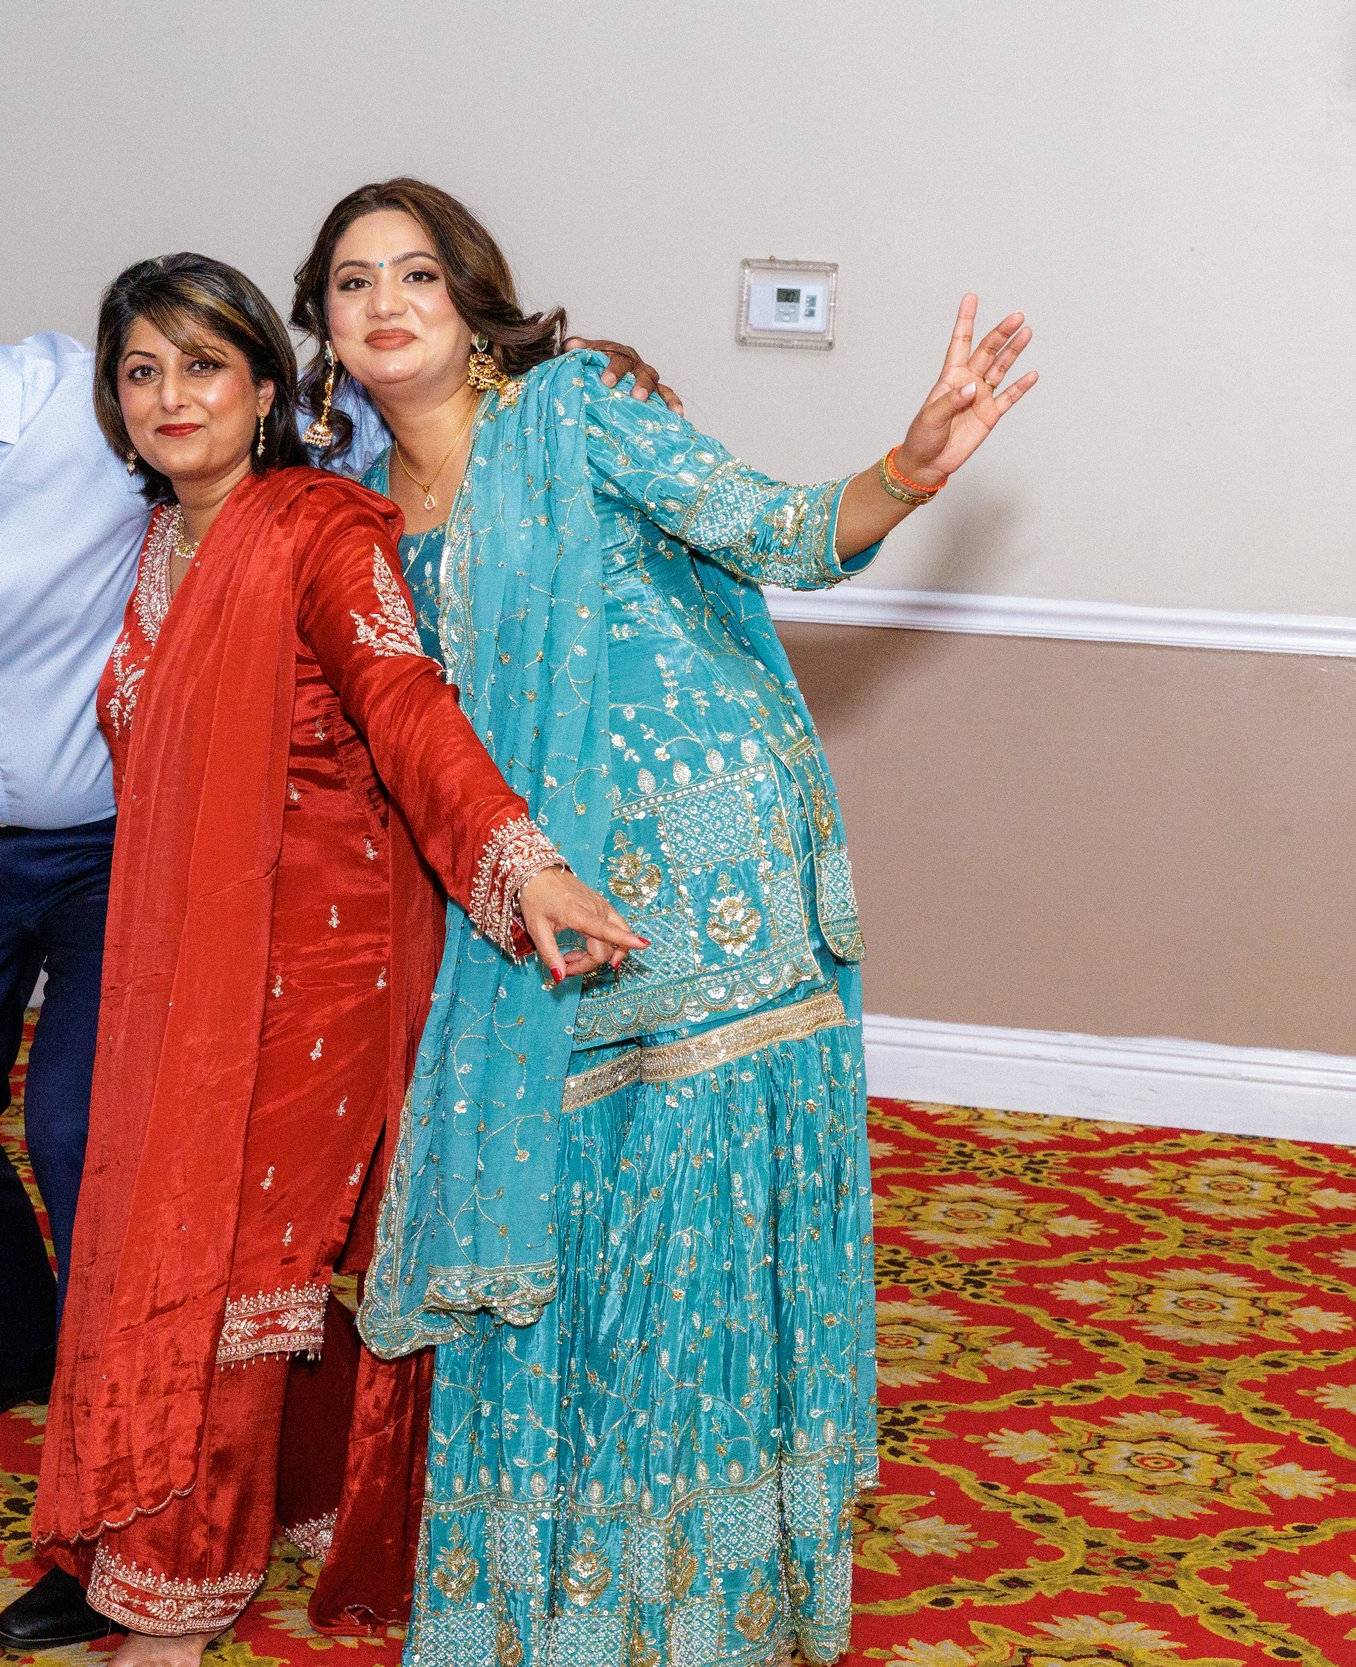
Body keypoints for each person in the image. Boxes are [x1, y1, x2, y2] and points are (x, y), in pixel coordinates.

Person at [293, 178, 1036, 1667]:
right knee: (565, 1236)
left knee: (684, 1234)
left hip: (713, 894)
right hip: (537, 911)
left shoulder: (571, 411)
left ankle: (702, 1611)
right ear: (323, 326)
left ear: (471, 295)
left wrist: (911, 460)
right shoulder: (365, 518)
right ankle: (568, 1597)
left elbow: (771, 527)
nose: (386, 302)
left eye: (418, 273)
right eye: (353, 280)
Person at [0, 180, 668, 1453]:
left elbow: (356, 528)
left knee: (84, 1133)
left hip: (118, 851)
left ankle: (126, 1414)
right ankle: (21, 1339)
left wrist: (536, 379)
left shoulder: (96, 422)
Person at [22, 253, 645, 1667]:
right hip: (195, 959)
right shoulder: (163, 544)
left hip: (316, 962)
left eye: (202, 365)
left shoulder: (312, 527)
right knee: (186, 1230)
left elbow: (402, 698)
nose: (171, 396)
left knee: (239, 1253)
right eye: (140, 371)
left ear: (267, 387)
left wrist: (520, 856)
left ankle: (177, 1592)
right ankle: (278, 1494)